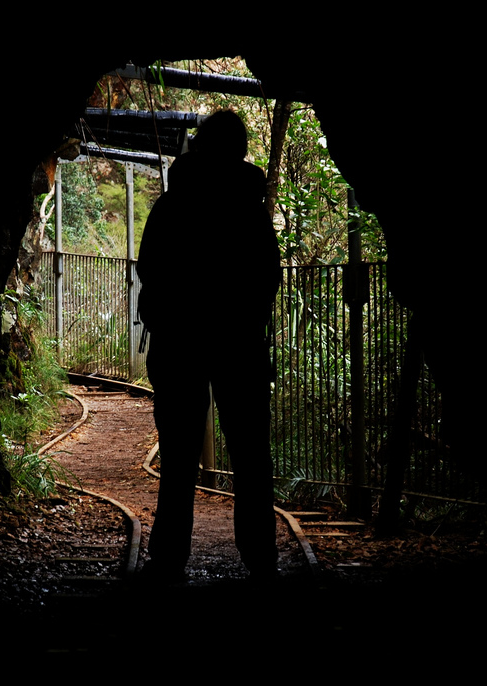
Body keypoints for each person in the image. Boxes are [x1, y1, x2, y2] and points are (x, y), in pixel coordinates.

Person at [136, 110, 281, 581]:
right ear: (239, 150)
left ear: (199, 147)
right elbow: (267, 276)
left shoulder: (172, 205)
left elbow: (150, 267)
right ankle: (260, 556)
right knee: (251, 453)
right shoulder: (250, 210)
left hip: (179, 341)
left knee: (178, 452)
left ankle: (168, 556)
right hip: (240, 342)